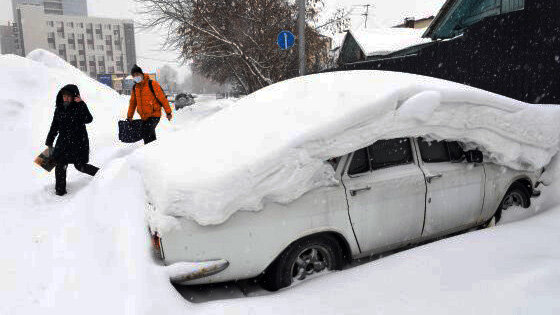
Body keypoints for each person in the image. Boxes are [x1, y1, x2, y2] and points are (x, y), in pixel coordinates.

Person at [46, 84, 99, 196]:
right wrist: (50, 141)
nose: (66, 98)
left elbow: (89, 119)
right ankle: (60, 191)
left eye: (68, 96)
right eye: (64, 96)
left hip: (78, 142)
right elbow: (54, 126)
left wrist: (81, 104)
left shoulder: (78, 107)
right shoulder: (59, 109)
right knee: (60, 164)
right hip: (63, 142)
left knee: (80, 166)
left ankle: (102, 174)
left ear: (74, 96)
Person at [127, 65, 172, 144]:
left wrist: (168, 112)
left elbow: (162, 99)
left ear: (142, 74)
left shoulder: (152, 84)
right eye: (134, 75)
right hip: (144, 116)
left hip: (154, 114)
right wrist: (129, 116)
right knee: (149, 135)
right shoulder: (135, 88)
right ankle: (153, 149)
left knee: (146, 132)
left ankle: (148, 151)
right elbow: (132, 103)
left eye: (137, 74)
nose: (136, 76)